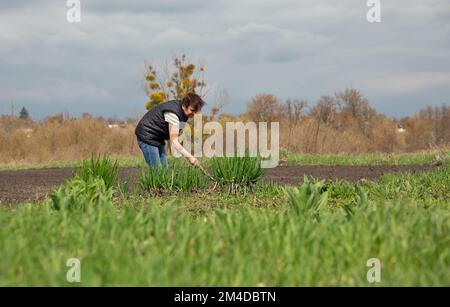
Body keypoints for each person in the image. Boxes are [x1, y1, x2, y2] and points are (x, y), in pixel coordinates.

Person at [135, 92, 205, 169]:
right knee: (157, 170)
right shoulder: (173, 114)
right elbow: (174, 141)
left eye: (196, 111)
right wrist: (190, 157)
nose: (194, 114)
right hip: (147, 136)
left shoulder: (182, 111)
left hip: (158, 137)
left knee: (164, 169)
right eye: (192, 110)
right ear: (185, 105)